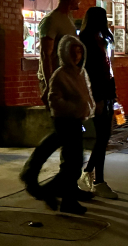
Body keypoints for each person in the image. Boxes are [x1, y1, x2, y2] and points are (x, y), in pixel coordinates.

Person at [20, 0, 85, 203]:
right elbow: (46, 55)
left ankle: (68, 185)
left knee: (69, 135)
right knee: (63, 132)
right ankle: (31, 172)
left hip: (68, 81)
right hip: (56, 84)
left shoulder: (67, 19)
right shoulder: (52, 20)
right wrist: (48, 86)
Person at [47, 35, 96, 214]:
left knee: (76, 159)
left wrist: (89, 108)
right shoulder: (60, 75)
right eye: (73, 52)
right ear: (65, 53)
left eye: (79, 52)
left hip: (77, 120)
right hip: (65, 121)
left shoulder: (80, 72)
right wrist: (73, 108)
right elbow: (54, 99)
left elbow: (86, 92)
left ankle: (70, 190)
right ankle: (67, 200)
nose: (76, 55)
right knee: (71, 162)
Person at [77, 7, 119, 199]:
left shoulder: (101, 40)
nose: (108, 23)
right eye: (105, 19)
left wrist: (113, 94)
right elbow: (91, 74)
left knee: (105, 136)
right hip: (99, 96)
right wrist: (98, 99)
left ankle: (90, 174)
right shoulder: (86, 41)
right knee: (102, 137)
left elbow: (108, 70)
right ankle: (97, 180)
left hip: (107, 93)